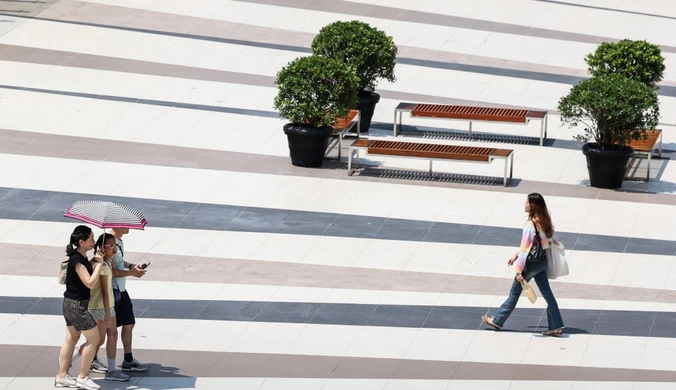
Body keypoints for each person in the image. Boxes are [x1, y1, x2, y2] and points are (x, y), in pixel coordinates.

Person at [482, 193, 565, 336]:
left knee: (514, 293)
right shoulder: (543, 221)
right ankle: (556, 326)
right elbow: (542, 244)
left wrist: (519, 271)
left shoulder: (530, 224)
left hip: (530, 264)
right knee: (548, 294)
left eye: (526, 202)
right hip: (541, 262)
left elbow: (525, 249)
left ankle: (498, 320)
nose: (524, 204)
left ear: (532, 205)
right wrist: (516, 255)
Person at [75, 234, 130, 381]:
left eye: (115, 245)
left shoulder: (104, 263)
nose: (115, 248)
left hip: (108, 306)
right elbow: (105, 291)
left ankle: (112, 370)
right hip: (100, 307)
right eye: (111, 245)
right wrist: (107, 313)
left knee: (112, 335)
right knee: (97, 340)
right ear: (101, 248)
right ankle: (68, 357)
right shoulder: (102, 266)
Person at [55, 225, 103, 390]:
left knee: (71, 340)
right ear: (81, 242)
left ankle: (62, 376)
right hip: (77, 306)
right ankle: (83, 377)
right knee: (94, 339)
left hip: (70, 303)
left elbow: (83, 269)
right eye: (91, 238)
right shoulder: (77, 260)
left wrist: (94, 260)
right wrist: (99, 265)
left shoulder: (80, 257)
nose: (94, 241)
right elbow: (89, 282)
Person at [110, 228, 150, 372]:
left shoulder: (119, 242)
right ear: (116, 226)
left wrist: (131, 266)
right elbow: (113, 271)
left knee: (129, 323)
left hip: (121, 290)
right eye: (125, 224)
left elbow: (120, 261)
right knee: (107, 331)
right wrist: (132, 273)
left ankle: (128, 359)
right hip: (112, 292)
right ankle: (92, 359)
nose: (128, 227)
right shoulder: (108, 243)